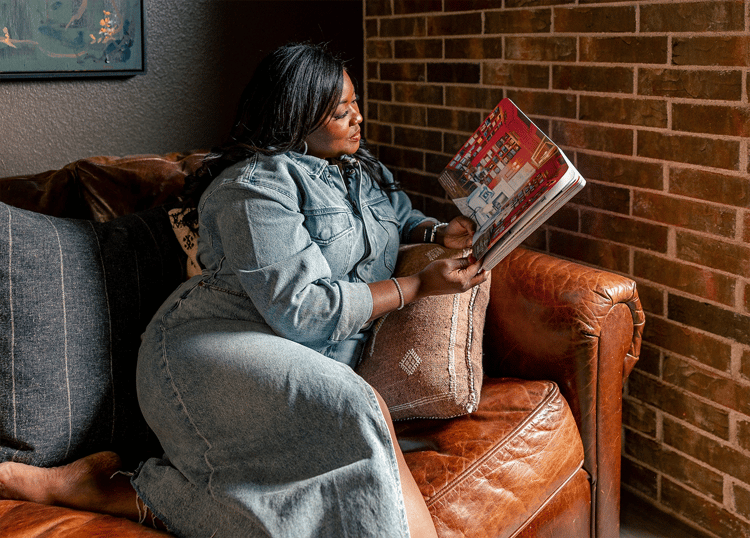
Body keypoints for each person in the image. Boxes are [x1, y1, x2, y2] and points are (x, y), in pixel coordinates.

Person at [0, 43, 487, 537]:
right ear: (295, 117)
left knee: (315, 467)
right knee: (359, 407)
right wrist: (417, 286)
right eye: (342, 111)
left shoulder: (362, 172)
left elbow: (399, 218)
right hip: (207, 348)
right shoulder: (253, 187)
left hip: (303, 361)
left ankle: (111, 487)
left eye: (355, 103)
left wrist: (436, 233)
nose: (358, 117)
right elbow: (305, 310)